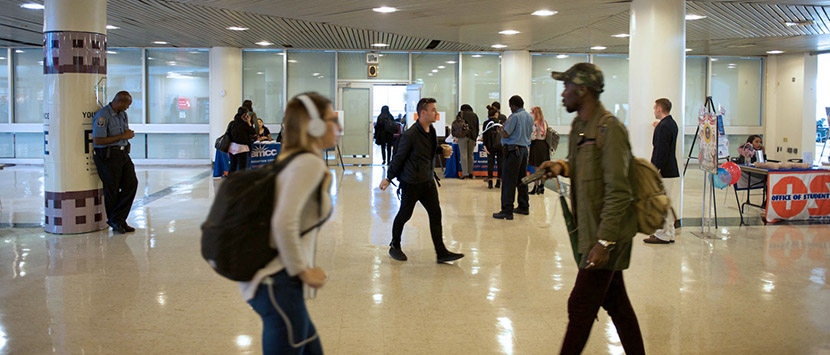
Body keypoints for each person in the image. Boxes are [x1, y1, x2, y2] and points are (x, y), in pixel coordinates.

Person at [539, 63, 645, 355]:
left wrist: (604, 242)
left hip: (608, 236)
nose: (563, 94)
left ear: (582, 90)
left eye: (567, 87)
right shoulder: (580, 127)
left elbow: (619, 191)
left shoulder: (610, 130)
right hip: (591, 231)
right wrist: (560, 166)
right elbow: (583, 167)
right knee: (617, 304)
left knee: (581, 306)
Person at [240, 92, 340, 355]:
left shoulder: (294, 158)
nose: (338, 127)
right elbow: (284, 223)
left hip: (278, 282)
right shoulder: (307, 163)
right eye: (332, 120)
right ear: (315, 125)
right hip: (276, 282)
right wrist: (303, 270)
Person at [379, 98, 464, 263]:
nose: (436, 113)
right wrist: (388, 177)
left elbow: (429, 150)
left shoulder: (431, 130)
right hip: (411, 182)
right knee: (405, 214)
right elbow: (399, 157)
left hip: (427, 181)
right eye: (433, 110)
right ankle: (394, 245)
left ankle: (441, 252)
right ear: (423, 113)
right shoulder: (410, 135)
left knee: (435, 214)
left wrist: (441, 150)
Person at [92, 91, 138, 234]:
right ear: (120, 102)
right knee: (112, 189)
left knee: (131, 184)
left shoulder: (122, 115)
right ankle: (117, 221)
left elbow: (123, 133)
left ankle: (117, 219)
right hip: (108, 156)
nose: (128, 108)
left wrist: (126, 136)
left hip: (122, 154)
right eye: (127, 105)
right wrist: (123, 136)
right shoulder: (103, 116)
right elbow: (98, 140)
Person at [644, 98, 679, 244]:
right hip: (670, 169)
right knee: (666, 202)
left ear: (659, 109)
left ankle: (662, 235)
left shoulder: (664, 126)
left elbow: (661, 150)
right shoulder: (670, 124)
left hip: (663, 171)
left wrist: (655, 169)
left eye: (654, 108)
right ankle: (669, 232)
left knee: (660, 203)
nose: (654, 110)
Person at [493, 95, 533, 220]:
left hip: (512, 152)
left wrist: (500, 129)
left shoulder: (514, 117)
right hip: (523, 151)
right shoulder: (529, 117)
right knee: (522, 180)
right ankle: (523, 206)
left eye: (511, 106)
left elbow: (506, 134)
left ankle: (507, 210)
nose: (510, 109)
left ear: (514, 105)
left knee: (508, 181)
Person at [528, 106, 551, 195]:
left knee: (537, 168)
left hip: (536, 146)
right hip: (544, 146)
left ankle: (535, 187)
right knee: (543, 167)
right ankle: (542, 186)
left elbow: (532, 137)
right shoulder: (545, 123)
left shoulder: (534, 124)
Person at [482, 105, 505, 189]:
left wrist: (485, 145)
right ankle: (499, 181)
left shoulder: (486, 123)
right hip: (500, 145)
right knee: (500, 163)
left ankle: (490, 181)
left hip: (490, 145)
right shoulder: (500, 122)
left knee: (490, 163)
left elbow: (484, 135)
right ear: (496, 114)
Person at [227, 107, 256, 174]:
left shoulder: (231, 123)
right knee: (241, 167)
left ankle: (230, 181)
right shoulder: (244, 125)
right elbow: (253, 132)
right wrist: (249, 122)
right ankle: (240, 181)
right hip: (242, 148)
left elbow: (228, 134)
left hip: (232, 147)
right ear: (245, 114)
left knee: (232, 166)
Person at [457, 104, 480, 179]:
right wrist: (475, 138)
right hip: (472, 137)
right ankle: (470, 173)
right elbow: (477, 128)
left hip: (463, 136)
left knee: (463, 155)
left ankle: (465, 173)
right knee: (470, 155)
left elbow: (456, 125)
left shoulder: (460, 114)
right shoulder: (475, 115)